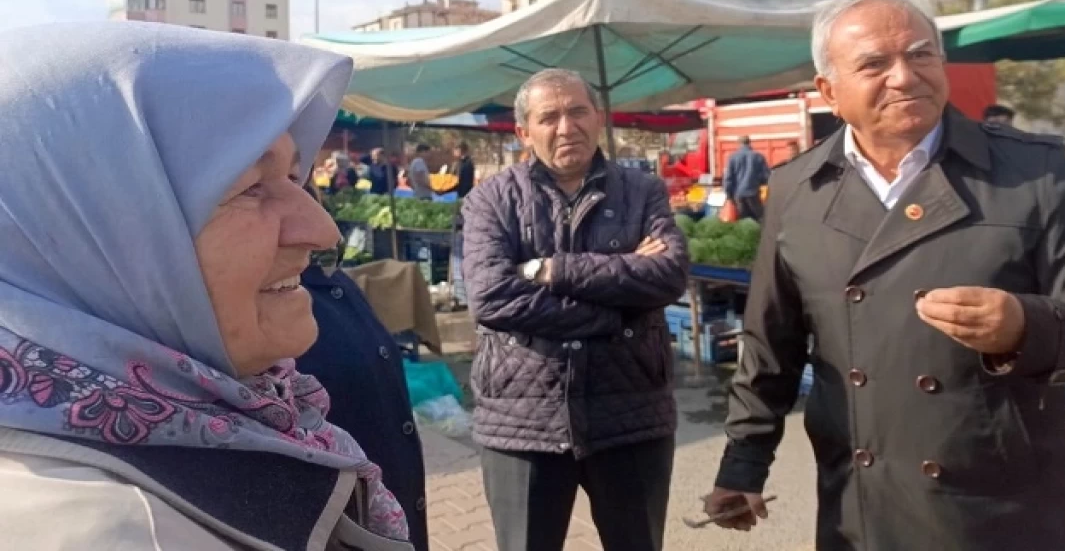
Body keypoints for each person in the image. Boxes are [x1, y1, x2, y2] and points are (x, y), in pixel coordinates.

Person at [702, 0, 1065, 550]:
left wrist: (1027, 327)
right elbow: (771, 345)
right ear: (828, 91)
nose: (905, 77)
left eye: (921, 56)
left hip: (1005, 510)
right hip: (863, 507)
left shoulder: (1034, 172)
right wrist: (743, 464)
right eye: (875, 63)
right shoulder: (798, 188)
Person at [0, 22, 410, 549]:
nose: (321, 231)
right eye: (249, 188)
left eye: (294, 178)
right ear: (91, 233)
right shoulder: (118, 530)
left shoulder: (237, 412)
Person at [461, 68, 690, 551]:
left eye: (578, 111)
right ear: (524, 132)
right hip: (520, 419)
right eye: (550, 117)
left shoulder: (641, 191)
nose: (567, 127)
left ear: (598, 117)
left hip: (631, 411)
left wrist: (551, 270)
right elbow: (491, 297)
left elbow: (668, 276)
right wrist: (617, 307)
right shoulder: (491, 200)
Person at [297, 185, 429, 551]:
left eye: (299, 183)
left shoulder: (328, 279)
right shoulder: (250, 307)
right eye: (260, 188)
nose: (325, 229)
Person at [722, 136, 770, 220]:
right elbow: (766, 176)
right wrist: (759, 183)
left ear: (739, 144)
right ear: (749, 143)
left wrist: (729, 195)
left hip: (738, 195)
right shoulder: (758, 157)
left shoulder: (733, 158)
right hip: (753, 193)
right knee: (760, 219)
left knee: (743, 221)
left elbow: (728, 179)